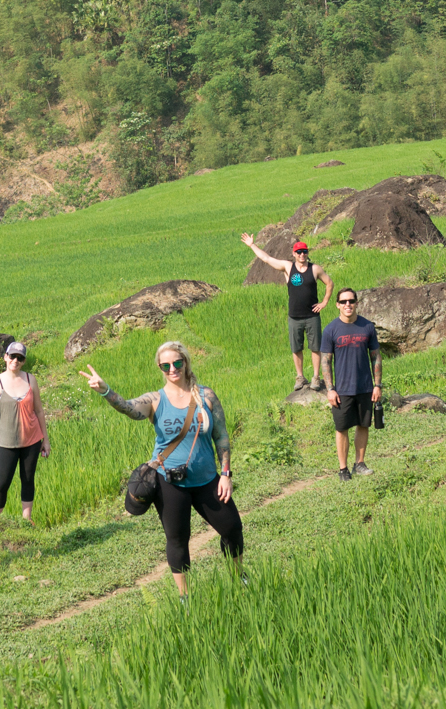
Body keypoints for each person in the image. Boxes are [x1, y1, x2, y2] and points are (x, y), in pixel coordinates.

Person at [84, 341, 245, 600]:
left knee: (232, 528)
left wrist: (225, 474)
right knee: (178, 539)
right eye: (166, 365)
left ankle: (238, 576)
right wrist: (105, 391)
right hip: (170, 481)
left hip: (207, 480)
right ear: (160, 368)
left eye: (177, 363)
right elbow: (129, 408)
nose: (173, 369)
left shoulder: (206, 396)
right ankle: (185, 597)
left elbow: (222, 436)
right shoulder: (156, 400)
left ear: (186, 362)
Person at [240, 232, 328, 389]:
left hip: (312, 315)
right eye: (299, 252)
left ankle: (316, 377)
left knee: (315, 347)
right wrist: (252, 245)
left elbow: (330, 283)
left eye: (305, 251)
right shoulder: (288, 267)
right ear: (294, 254)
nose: (302, 254)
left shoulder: (315, 269)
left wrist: (324, 302)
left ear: (308, 253)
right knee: (296, 348)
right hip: (294, 316)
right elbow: (267, 259)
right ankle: (300, 377)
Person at [0, 340, 48, 524]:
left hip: (31, 439)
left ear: (23, 361)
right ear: (5, 357)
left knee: (28, 479)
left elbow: (39, 411)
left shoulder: (31, 379)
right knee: (2, 483)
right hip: (6, 442)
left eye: (20, 358)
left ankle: (26, 520)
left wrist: (45, 440)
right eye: (12, 356)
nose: (15, 360)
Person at [319, 288, 382, 479]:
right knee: (342, 428)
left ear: (356, 303)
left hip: (365, 386)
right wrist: (330, 389)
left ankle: (360, 464)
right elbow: (325, 361)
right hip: (342, 390)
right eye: (344, 301)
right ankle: (343, 469)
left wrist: (377, 385)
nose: (348, 305)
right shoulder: (331, 329)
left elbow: (376, 357)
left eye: (351, 301)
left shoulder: (367, 327)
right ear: (337, 304)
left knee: (363, 425)